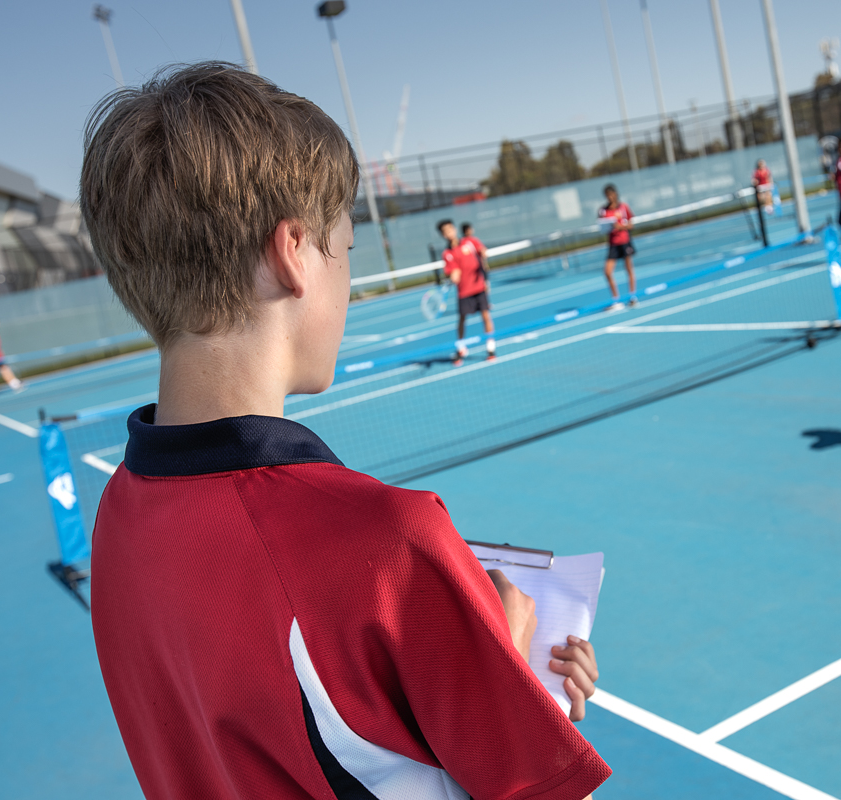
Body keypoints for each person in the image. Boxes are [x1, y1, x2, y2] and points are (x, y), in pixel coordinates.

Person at [80, 63, 610, 800]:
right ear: (293, 251)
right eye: (347, 250)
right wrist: (512, 662)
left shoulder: (117, 519)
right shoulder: (385, 542)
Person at [439, 219, 495, 365]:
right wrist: (454, 276)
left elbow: (482, 251)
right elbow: (453, 272)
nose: (449, 233)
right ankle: (462, 347)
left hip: (479, 287)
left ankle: (490, 348)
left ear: (454, 229)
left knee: (485, 315)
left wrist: (483, 253)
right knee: (462, 319)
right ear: (443, 235)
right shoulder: (447, 253)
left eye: (450, 229)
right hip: (464, 291)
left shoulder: (470, 242)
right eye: (446, 231)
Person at [599, 184, 638, 310]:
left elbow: (631, 224)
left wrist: (620, 227)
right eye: (607, 195)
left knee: (629, 269)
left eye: (611, 194)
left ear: (615, 194)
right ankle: (616, 300)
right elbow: (603, 227)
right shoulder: (603, 211)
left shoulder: (623, 207)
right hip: (613, 244)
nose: (610, 197)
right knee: (607, 272)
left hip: (624, 241)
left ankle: (633, 297)